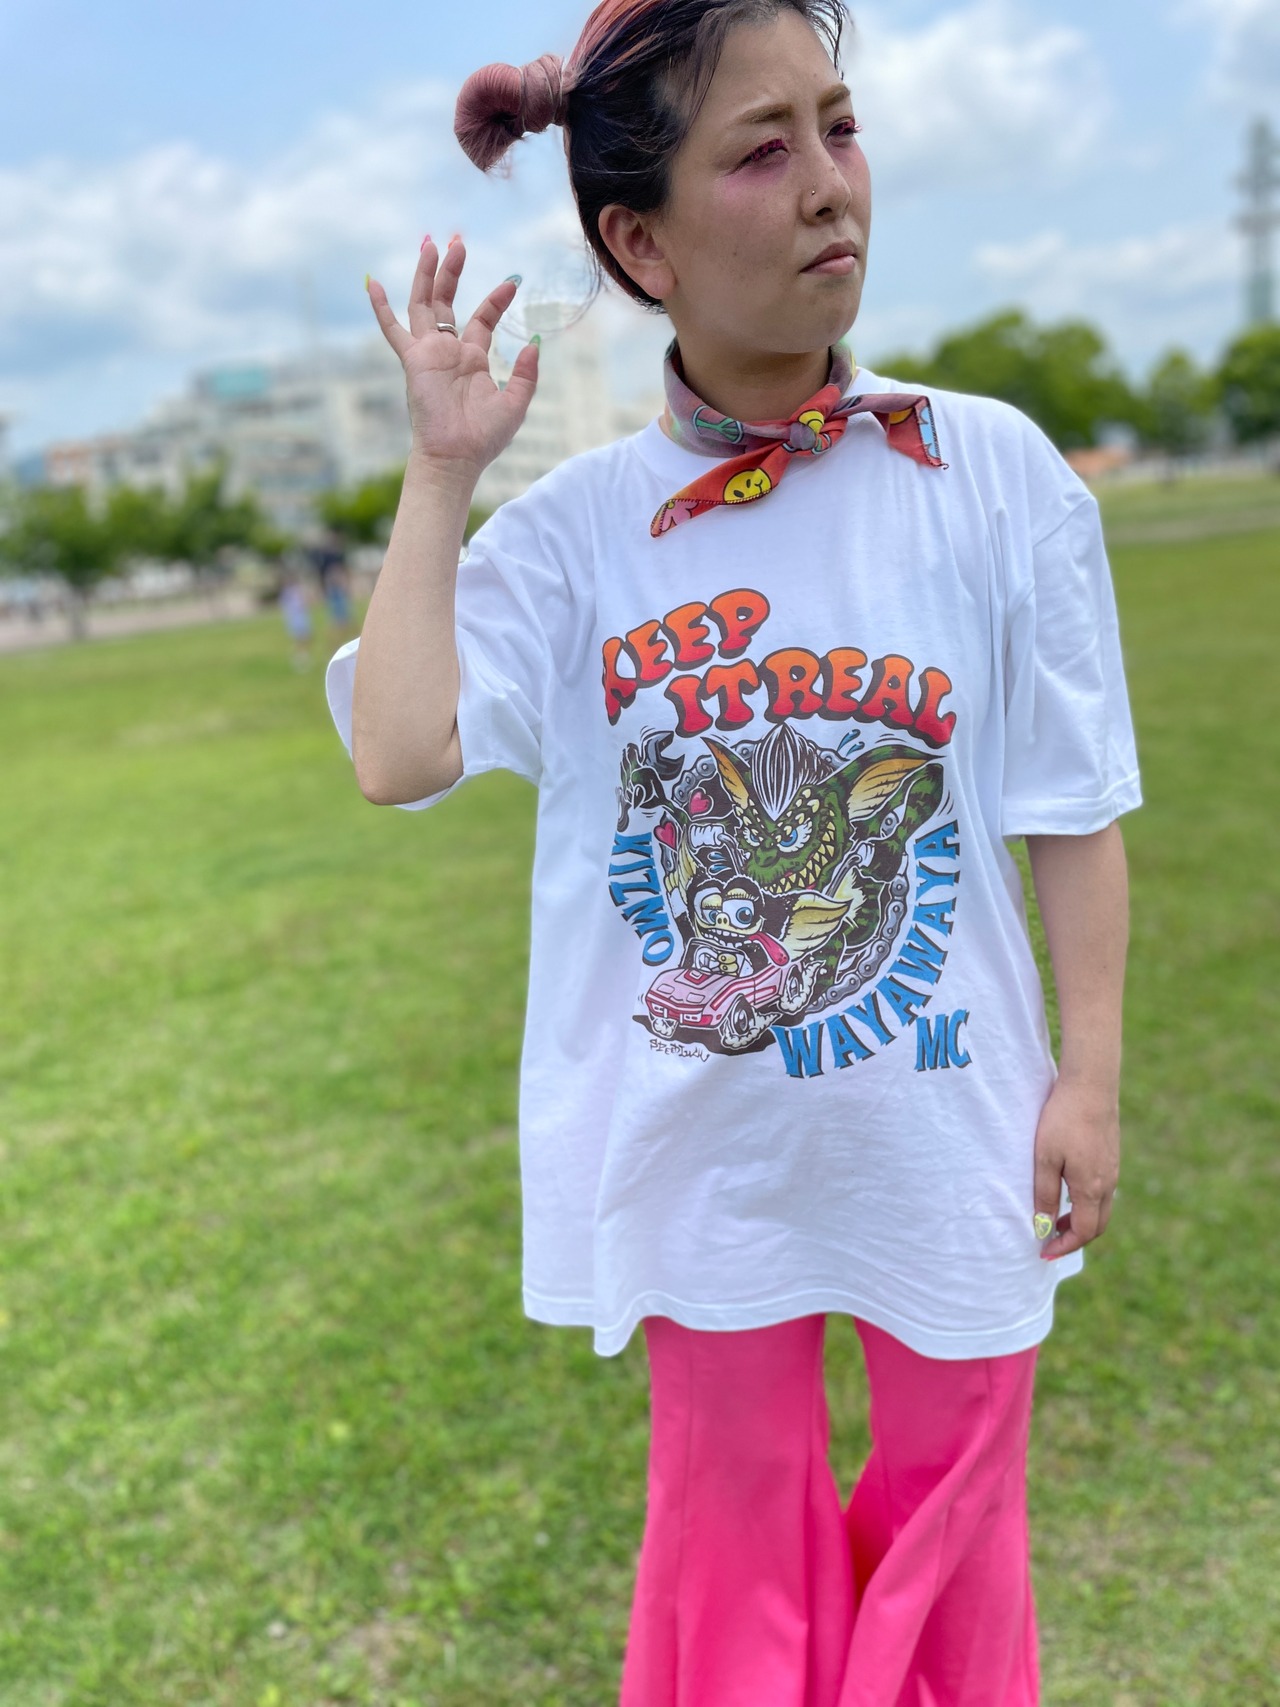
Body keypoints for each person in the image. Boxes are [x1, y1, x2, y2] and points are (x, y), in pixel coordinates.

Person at [325, 1, 1141, 1700]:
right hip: (698, 1152)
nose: (831, 183)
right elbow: (398, 752)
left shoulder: (992, 472)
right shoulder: (581, 536)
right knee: (733, 1521)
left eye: (839, 125)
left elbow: (1071, 802)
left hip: (952, 1123)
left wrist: (1093, 1076)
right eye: (762, 154)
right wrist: (442, 473)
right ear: (643, 243)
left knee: (956, 1508)